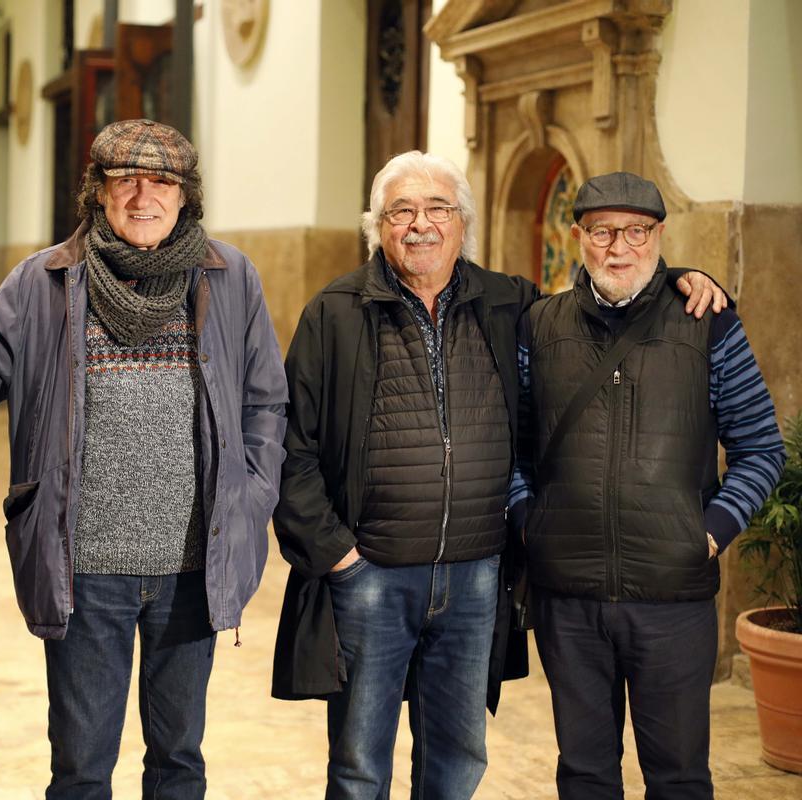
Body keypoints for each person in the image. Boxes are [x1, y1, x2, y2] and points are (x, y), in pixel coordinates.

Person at [270, 151, 726, 800]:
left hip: (477, 576)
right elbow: (294, 448)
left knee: (457, 760)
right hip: (372, 573)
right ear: (378, 226)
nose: (419, 224)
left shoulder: (511, 303)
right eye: (401, 211)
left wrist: (680, 276)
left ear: (464, 224)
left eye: (436, 209)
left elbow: (608, 293)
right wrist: (337, 557)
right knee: (359, 764)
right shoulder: (335, 313)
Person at [0, 118, 287, 799]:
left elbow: (266, 402)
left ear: (185, 196)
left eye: (162, 182)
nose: (142, 195)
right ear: (99, 192)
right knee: (83, 765)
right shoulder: (43, 279)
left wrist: (252, 494)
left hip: (191, 565)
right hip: (82, 567)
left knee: (179, 758)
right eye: (125, 180)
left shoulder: (230, 276)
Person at [509, 171, 785, 800]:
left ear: (658, 236)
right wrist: (530, 520)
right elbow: (510, 449)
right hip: (568, 599)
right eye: (603, 231)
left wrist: (709, 533)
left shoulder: (706, 322)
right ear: (577, 236)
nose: (619, 247)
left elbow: (761, 448)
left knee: (680, 778)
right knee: (583, 775)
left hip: (674, 598)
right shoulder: (538, 328)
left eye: (637, 230)